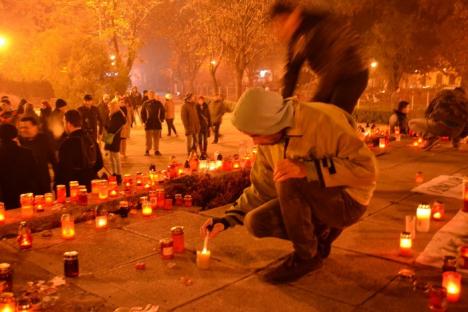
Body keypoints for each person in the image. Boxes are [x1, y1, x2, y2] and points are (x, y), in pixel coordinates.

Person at [200, 88, 377, 283]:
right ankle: (320, 239)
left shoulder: (322, 121)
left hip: (347, 200)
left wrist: (308, 169)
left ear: (272, 123)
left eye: (256, 134)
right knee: (256, 221)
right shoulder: (269, 141)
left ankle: (307, 256)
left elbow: (367, 171)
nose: (255, 142)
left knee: (288, 176)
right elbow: (261, 189)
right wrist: (226, 220)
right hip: (313, 199)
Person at [270, 1, 368, 114]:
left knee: (333, 116)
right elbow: (292, 73)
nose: (281, 28)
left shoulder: (321, 25)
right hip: (332, 77)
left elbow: (335, 64)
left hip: (353, 74)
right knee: (322, 115)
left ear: (295, 14)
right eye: (277, 25)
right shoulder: (296, 39)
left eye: (283, 21)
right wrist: (284, 104)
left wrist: (318, 98)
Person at [55, 110, 103, 193]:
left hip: (75, 189)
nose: (64, 126)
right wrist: (89, 173)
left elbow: (63, 171)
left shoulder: (67, 144)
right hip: (92, 185)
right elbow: (100, 163)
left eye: (64, 122)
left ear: (68, 124)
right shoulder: (90, 138)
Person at [0, 124, 40, 209]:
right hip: (26, 195)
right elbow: (36, 175)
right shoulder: (26, 153)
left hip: (5, 198)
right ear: (15, 135)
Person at [18, 117, 58, 194]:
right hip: (25, 184)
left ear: (35, 127)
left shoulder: (44, 139)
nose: (23, 130)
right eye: (21, 128)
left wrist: (58, 176)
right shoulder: (19, 141)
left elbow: (53, 159)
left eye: (26, 127)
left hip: (42, 180)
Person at [104, 98, 127, 183]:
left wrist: (107, 143)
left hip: (114, 138)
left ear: (114, 107)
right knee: (111, 157)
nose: (109, 108)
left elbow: (112, 130)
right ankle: (114, 173)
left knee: (116, 157)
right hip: (112, 138)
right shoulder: (112, 115)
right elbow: (108, 127)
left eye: (110, 106)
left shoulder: (117, 116)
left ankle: (118, 175)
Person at [141, 91, 165, 156]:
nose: (151, 95)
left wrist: (161, 119)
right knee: (148, 138)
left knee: (156, 138)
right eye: (150, 94)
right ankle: (147, 150)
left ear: (154, 95)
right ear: (148, 95)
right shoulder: (145, 103)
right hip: (148, 123)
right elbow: (142, 113)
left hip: (157, 123)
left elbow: (163, 111)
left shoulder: (158, 103)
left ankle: (156, 150)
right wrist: (144, 121)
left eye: (153, 94)